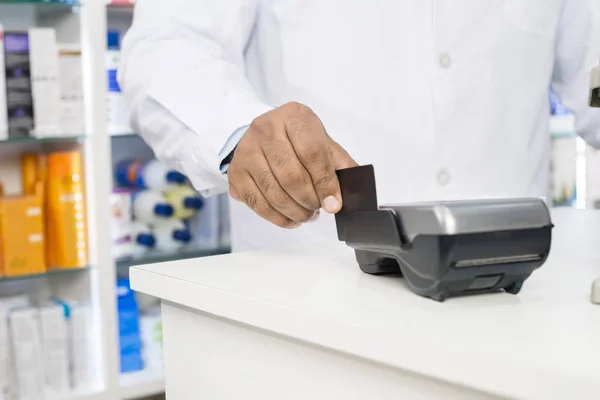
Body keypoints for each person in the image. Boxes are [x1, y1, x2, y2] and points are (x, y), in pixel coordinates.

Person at [119, 0, 600, 252]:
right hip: (313, 296)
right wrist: (235, 131)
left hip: (513, 287)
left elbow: (591, 72)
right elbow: (165, 47)